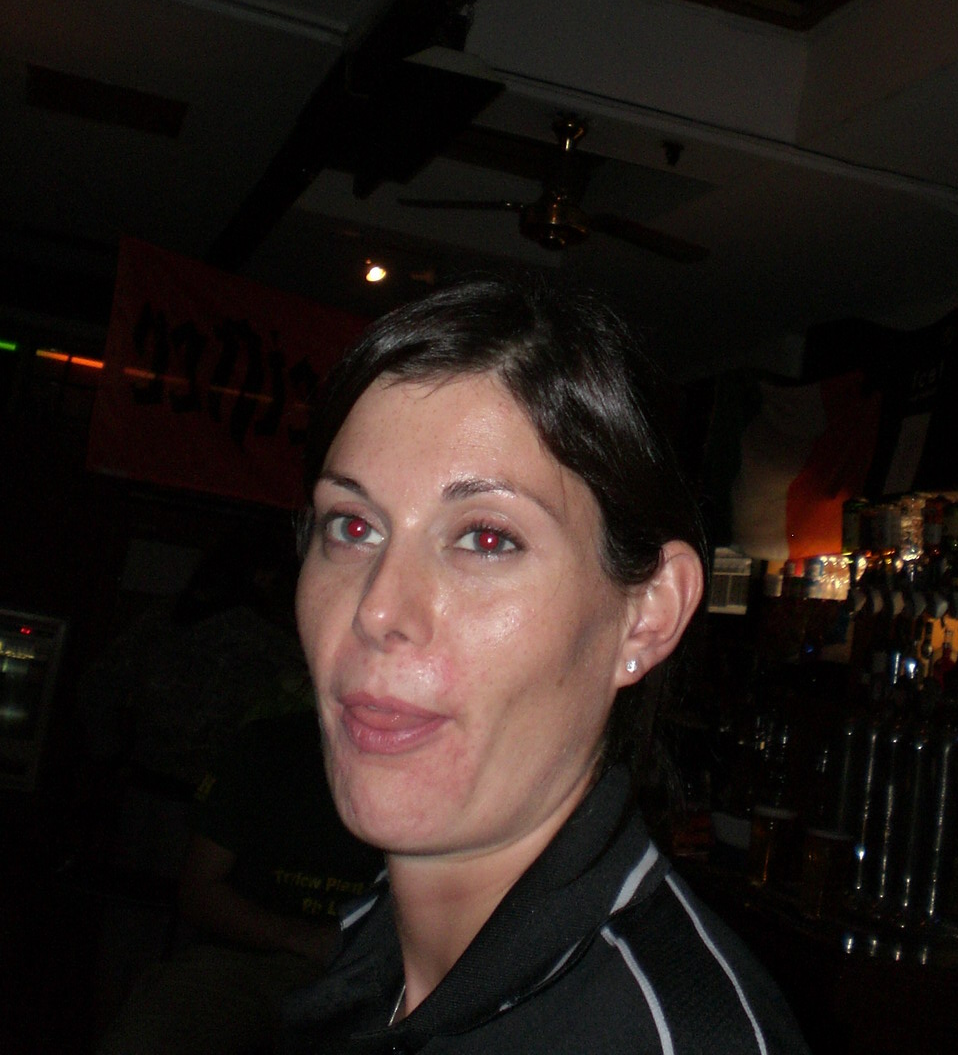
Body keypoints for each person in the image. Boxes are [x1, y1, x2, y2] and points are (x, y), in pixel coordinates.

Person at [282, 273, 809, 1054]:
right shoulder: (378, 945)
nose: (378, 610)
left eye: (486, 538)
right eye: (352, 527)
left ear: (647, 613)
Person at [98, 708, 381, 1054]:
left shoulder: (426, 763)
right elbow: (199, 891)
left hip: (367, 981)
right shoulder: (266, 746)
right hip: (241, 964)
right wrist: (303, 939)